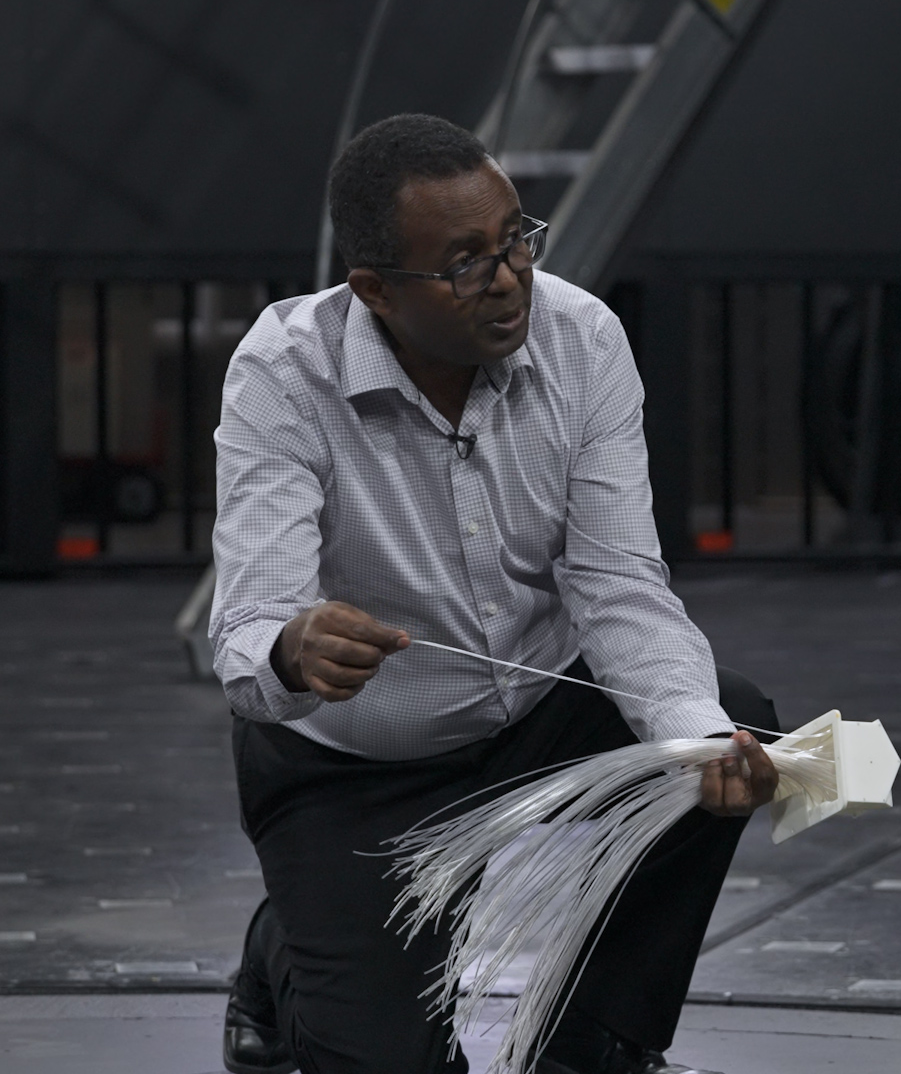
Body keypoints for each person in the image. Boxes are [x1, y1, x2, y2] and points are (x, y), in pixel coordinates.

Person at [211, 112, 776, 1074]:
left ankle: (594, 1041)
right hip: (355, 764)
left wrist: (694, 731)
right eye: (466, 260)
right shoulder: (283, 371)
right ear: (376, 292)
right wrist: (292, 647)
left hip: (540, 717)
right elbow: (248, 623)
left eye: (517, 235)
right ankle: (284, 949)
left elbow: (619, 584)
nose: (510, 275)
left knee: (728, 725)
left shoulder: (583, 337)